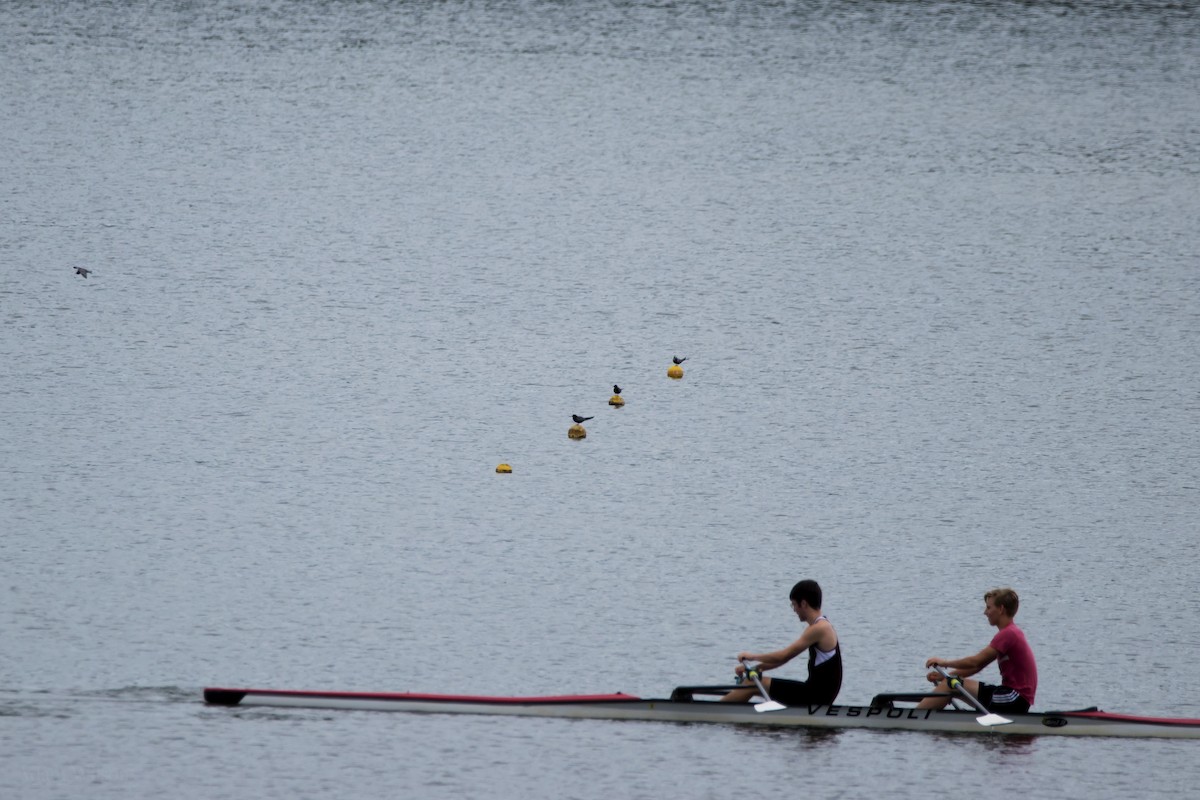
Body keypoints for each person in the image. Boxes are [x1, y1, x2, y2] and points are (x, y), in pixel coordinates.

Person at [721, 579, 842, 706]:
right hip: (817, 694)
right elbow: (783, 660)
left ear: (804, 604)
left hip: (816, 697)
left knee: (750, 684)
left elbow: (784, 655)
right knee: (752, 681)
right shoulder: (818, 627)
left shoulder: (820, 629)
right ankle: (728, 713)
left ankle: (716, 712)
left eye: (794, 604)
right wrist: (755, 669)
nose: (794, 609)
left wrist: (752, 657)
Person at [918, 587, 1038, 713]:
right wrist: (945, 676)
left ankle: (913, 718)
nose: (985, 612)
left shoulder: (1009, 634)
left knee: (949, 685)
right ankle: (927, 718)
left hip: (1013, 698)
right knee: (951, 684)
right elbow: (976, 667)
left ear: (1001, 609)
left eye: (989, 607)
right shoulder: (1011, 632)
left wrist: (944, 663)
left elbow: (975, 662)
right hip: (1014, 698)